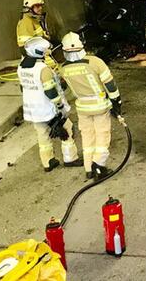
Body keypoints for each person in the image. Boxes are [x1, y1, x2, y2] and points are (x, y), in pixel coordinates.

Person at [59, 32, 121, 180]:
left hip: (82, 107)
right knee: (102, 135)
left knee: (87, 137)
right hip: (99, 106)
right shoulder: (95, 62)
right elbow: (110, 84)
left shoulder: (63, 68)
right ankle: (99, 166)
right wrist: (116, 101)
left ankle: (88, 168)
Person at [18, 37, 81, 172]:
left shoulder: (21, 66)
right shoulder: (42, 69)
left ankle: (48, 162)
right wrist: (59, 107)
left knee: (42, 134)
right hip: (48, 109)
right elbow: (50, 91)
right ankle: (71, 158)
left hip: (33, 111)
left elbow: (23, 88)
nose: (48, 53)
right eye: (46, 51)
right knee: (67, 130)